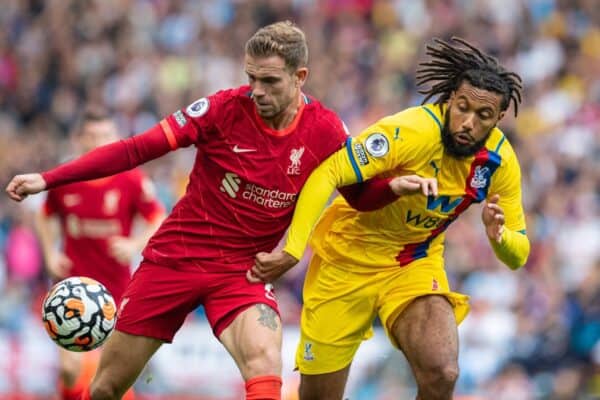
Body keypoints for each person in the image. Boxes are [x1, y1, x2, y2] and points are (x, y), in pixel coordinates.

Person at [6, 21, 349, 400]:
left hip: (242, 272)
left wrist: (399, 185)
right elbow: (135, 149)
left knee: (266, 365)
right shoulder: (221, 109)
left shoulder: (327, 130)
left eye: (269, 81)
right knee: (105, 388)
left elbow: (365, 188)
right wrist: (50, 178)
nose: (256, 91)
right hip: (175, 259)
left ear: (300, 77)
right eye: (251, 78)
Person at [249, 37, 530, 400]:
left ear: (499, 118)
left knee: (443, 372)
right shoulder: (410, 131)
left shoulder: (500, 162)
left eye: (483, 116)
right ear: (449, 101)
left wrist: (499, 235)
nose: (468, 123)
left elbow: (518, 255)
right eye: (462, 108)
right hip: (346, 262)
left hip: (412, 263)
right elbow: (328, 173)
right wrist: (293, 247)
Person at [35, 106, 165, 400]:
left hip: (116, 289)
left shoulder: (131, 179)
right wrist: (49, 253)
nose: (98, 143)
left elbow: (157, 217)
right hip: (72, 286)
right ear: (79, 139)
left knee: (112, 375)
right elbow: (44, 216)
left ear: (116, 138)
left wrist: (134, 245)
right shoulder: (66, 178)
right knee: (70, 370)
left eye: (105, 135)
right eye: (91, 136)